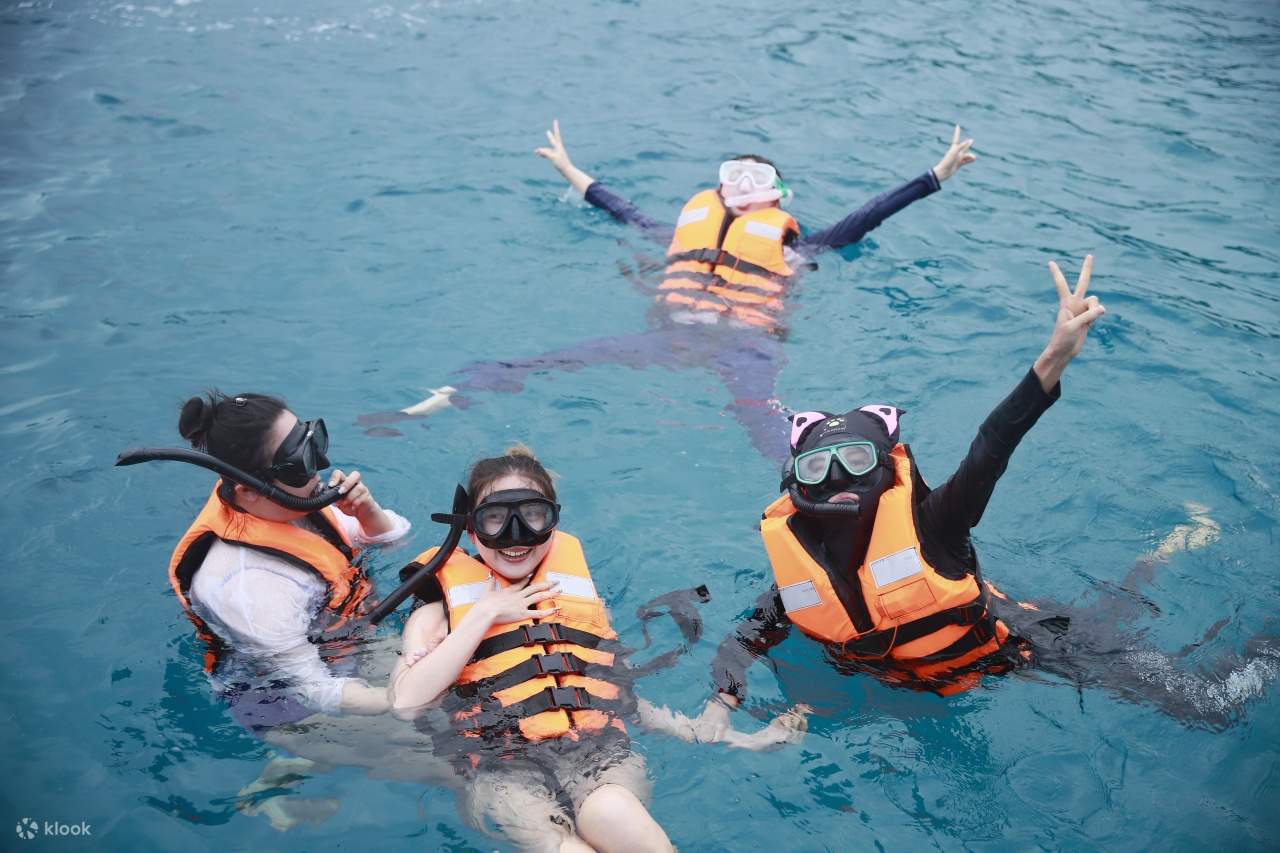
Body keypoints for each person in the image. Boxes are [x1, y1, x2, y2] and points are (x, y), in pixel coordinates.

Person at [707, 257, 1280, 728]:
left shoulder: (936, 523)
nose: (835, 481)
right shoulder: (794, 580)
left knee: (1210, 706)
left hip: (1024, 651)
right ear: (792, 481)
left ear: (885, 469)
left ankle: (1190, 565)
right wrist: (719, 706)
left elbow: (992, 447)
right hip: (908, 685)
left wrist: (1052, 360)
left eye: (854, 461)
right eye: (816, 468)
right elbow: (742, 641)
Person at [360, 121, 976, 461]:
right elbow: (619, 208)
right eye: (736, 179)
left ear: (770, 193)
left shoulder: (738, 238)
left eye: (751, 179)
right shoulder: (787, 246)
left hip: (686, 341)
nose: (742, 188)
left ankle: (446, 398)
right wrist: (571, 170)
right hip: (731, 345)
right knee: (758, 420)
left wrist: (934, 176)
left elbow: (621, 212)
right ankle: (833, 488)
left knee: (560, 363)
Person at [390, 446, 807, 853]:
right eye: (495, 520)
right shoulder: (439, 613)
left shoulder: (572, 600)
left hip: (596, 752)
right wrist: (484, 614)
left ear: (553, 522)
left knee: (618, 815)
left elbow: (609, 691)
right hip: (503, 769)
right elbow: (406, 702)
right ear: (469, 528)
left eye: (533, 516)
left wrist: (714, 735)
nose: (515, 537)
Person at [169, 391, 412, 729]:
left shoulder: (292, 503)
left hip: (346, 651)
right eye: (300, 462)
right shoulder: (248, 586)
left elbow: (396, 540)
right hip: (289, 710)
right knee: (465, 763)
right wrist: (413, 699)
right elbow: (316, 691)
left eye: (313, 445)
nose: (320, 469)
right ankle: (300, 757)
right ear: (248, 489)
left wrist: (367, 512)